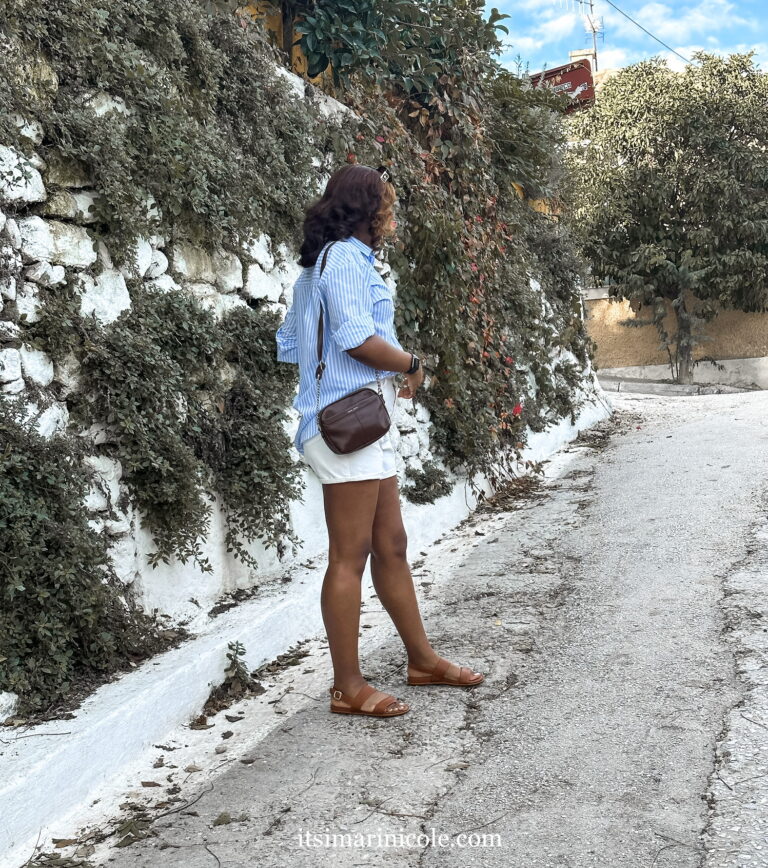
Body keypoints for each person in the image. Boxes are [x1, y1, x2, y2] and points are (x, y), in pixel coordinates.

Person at [275, 163, 484, 719]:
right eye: (386, 206)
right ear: (368, 210)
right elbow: (356, 338)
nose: (392, 216)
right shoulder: (343, 257)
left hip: (359, 424)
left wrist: (385, 377)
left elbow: (293, 345)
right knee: (350, 556)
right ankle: (347, 686)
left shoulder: (321, 266)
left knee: (390, 546)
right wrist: (411, 362)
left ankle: (421, 659)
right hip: (346, 429)